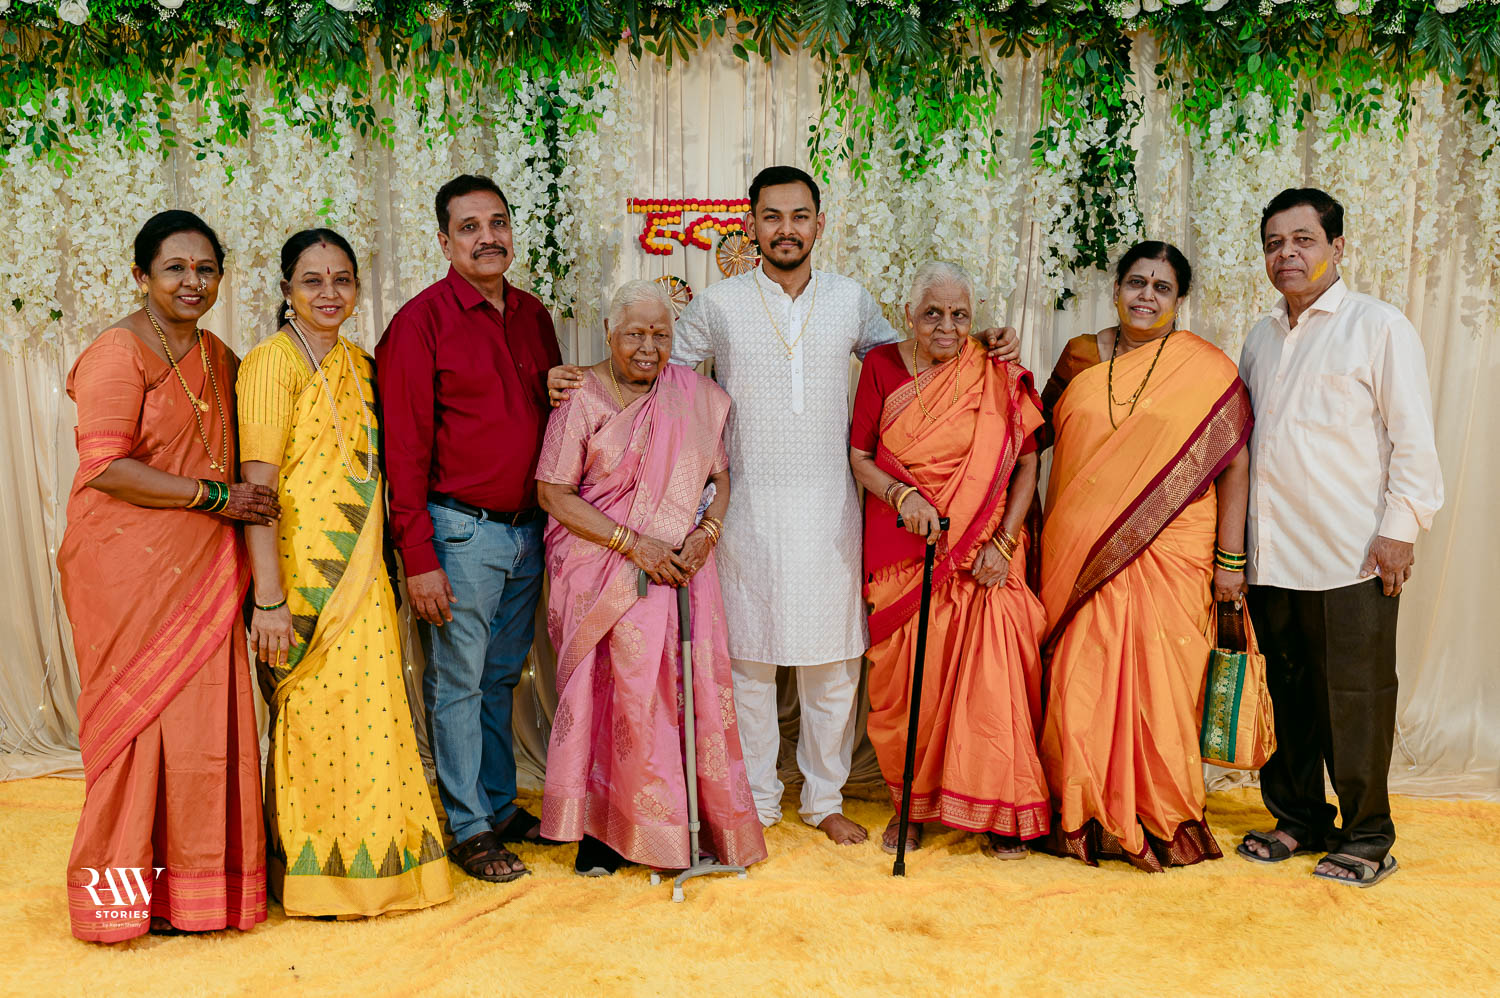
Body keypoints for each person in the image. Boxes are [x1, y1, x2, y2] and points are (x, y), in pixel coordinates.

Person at [549, 166, 1019, 845]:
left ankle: (824, 800)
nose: (786, 229)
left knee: (835, 666)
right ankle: (760, 801)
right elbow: (654, 369)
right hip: (745, 512)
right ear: (752, 225)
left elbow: (916, 361)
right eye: (772, 216)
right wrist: (582, 379)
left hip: (833, 510)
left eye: (800, 216)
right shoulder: (719, 305)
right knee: (749, 665)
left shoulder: (851, 301)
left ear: (819, 225)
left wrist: (990, 343)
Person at [58, 210, 278, 942]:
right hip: (127, 570)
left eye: (206, 269)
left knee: (202, 731)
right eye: (176, 268)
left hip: (204, 572)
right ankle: (121, 903)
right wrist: (216, 498)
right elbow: (105, 467)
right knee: (137, 726)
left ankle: (196, 896)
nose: (193, 282)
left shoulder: (220, 357)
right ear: (141, 275)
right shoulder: (117, 353)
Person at [237, 229, 453, 914]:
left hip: (365, 575)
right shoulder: (270, 365)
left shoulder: (361, 365)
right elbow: (257, 492)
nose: (329, 293)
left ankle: (380, 870)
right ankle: (316, 879)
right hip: (303, 581)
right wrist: (269, 599)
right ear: (286, 290)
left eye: (342, 280)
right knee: (312, 721)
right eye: (312, 280)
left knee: (371, 720)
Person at [1235, 189, 1443, 888]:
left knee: (1356, 698)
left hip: (1352, 554)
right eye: (1274, 243)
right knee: (1287, 693)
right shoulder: (1260, 337)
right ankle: (1297, 817)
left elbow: (1413, 438)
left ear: (1338, 247)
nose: (1287, 254)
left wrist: (1399, 531)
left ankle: (1367, 835)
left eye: (1303, 240)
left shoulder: (1378, 326)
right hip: (1272, 555)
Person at [535, 281, 766, 876]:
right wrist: (633, 545)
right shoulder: (581, 397)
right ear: (608, 333)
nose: (648, 347)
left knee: (678, 691)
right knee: (614, 694)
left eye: (660, 335)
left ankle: (684, 822)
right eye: (634, 333)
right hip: (599, 568)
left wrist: (706, 533)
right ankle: (601, 831)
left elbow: (719, 478)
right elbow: (553, 493)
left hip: (680, 568)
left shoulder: (695, 397)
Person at [1036, 240, 1253, 872]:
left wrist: (1230, 563)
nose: (1146, 296)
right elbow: (1027, 433)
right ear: (1116, 288)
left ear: (1179, 299)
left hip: (1175, 547)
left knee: (1164, 685)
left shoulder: (1206, 368)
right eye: (1136, 282)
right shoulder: (1080, 355)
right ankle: (1080, 812)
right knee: (1080, 679)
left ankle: (1160, 812)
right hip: (1082, 551)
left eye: (1161, 287)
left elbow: (1234, 464)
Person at [376, 175, 562, 883]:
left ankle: (496, 803)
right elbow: (403, 452)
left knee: (501, 677)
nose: (488, 238)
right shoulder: (420, 322)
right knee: (457, 681)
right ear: (444, 240)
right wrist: (417, 556)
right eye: (470, 227)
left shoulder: (533, 314)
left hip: (527, 531)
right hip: (459, 533)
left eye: (498, 223)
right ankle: (468, 827)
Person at [849, 262, 1050, 859]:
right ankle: (910, 806)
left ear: (974, 317)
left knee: (994, 680)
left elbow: (1027, 463)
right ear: (908, 315)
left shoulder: (993, 369)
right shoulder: (881, 366)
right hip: (903, 550)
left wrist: (1004, 543)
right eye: (932, 313)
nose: (946, 325)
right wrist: (901, 496)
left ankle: (998, 809)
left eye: (959, 315)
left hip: (987, 550)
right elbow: (860, 457)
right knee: (910, 682)